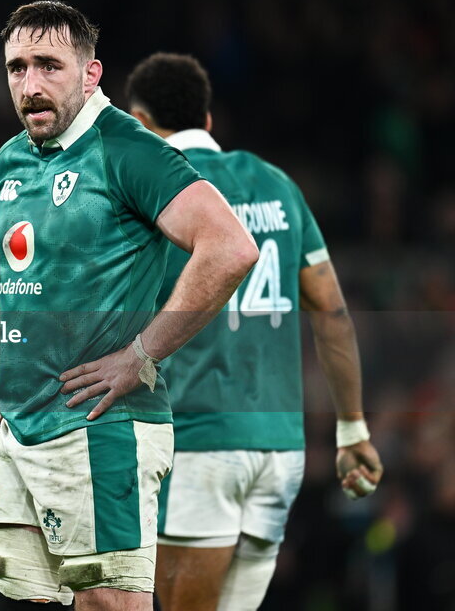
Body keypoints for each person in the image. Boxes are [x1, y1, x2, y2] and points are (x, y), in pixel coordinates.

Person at [0, 1, 258, 611]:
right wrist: (4, 341)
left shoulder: (127, 149)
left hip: (102, 428)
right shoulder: (12, 158)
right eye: (17, 68)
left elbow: (230, 247)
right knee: (42, 600)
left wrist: (142, 355)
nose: (30, 85)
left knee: (113, 603)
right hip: (25, 430)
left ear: (90, 74)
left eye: (49, 66)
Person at [125, 52, 384, 611]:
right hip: (281, 449)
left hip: (200, 441)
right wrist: (351, 429)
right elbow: (333, 312)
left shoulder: (155, 193)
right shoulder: (278, 185)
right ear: (208, 121)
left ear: (140, 124)